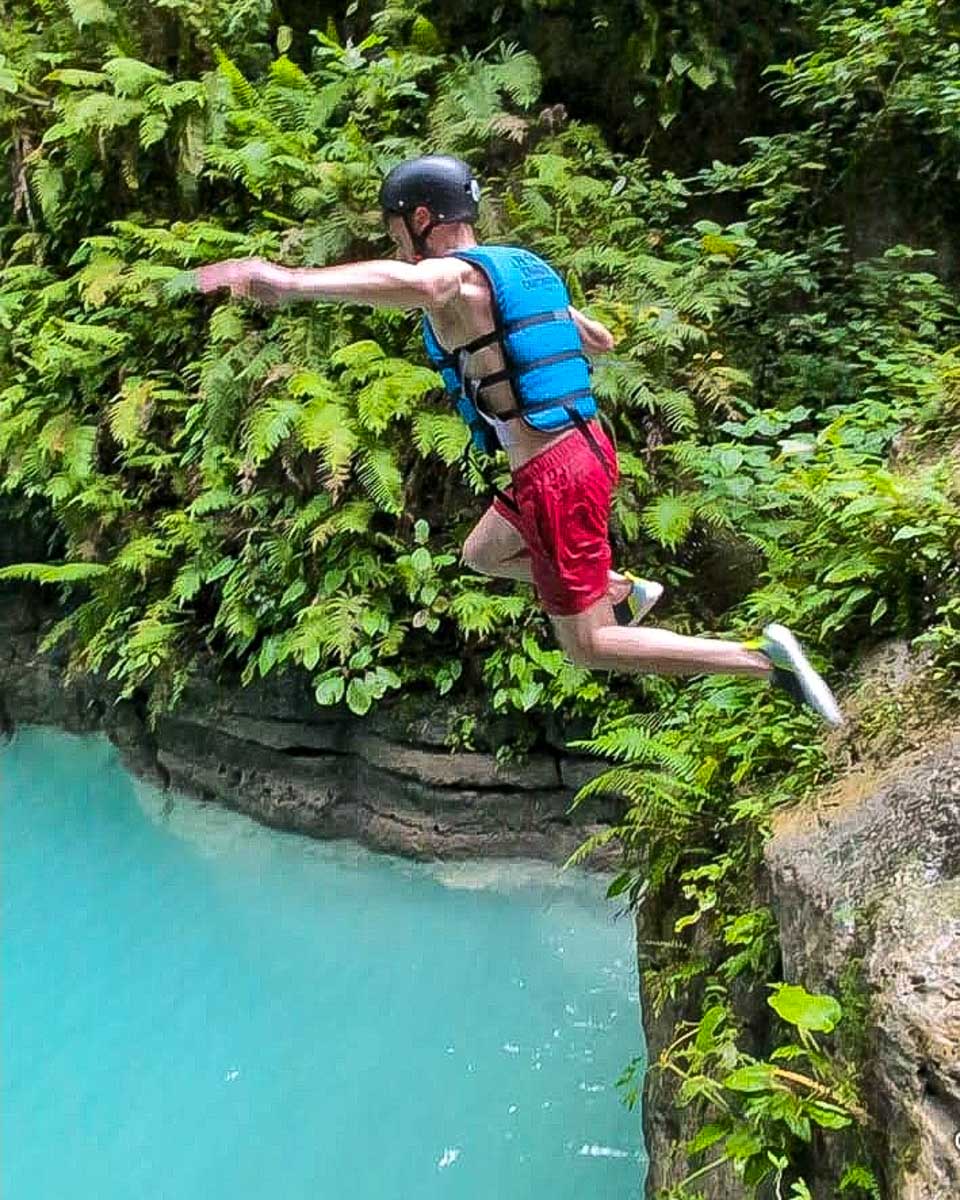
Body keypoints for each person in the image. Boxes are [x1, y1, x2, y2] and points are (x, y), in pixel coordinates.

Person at [196, 154, 842, 726]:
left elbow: (427, 284)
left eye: (396, 233)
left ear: (421, 218)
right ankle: (621, 589)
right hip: (585, 449)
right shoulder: (523, 270)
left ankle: (763, 661)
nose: (399, 247)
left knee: (588, 646)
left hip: (556, 473)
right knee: (483, 553)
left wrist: (290, 282)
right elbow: (599, 339)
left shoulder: (455, 278)